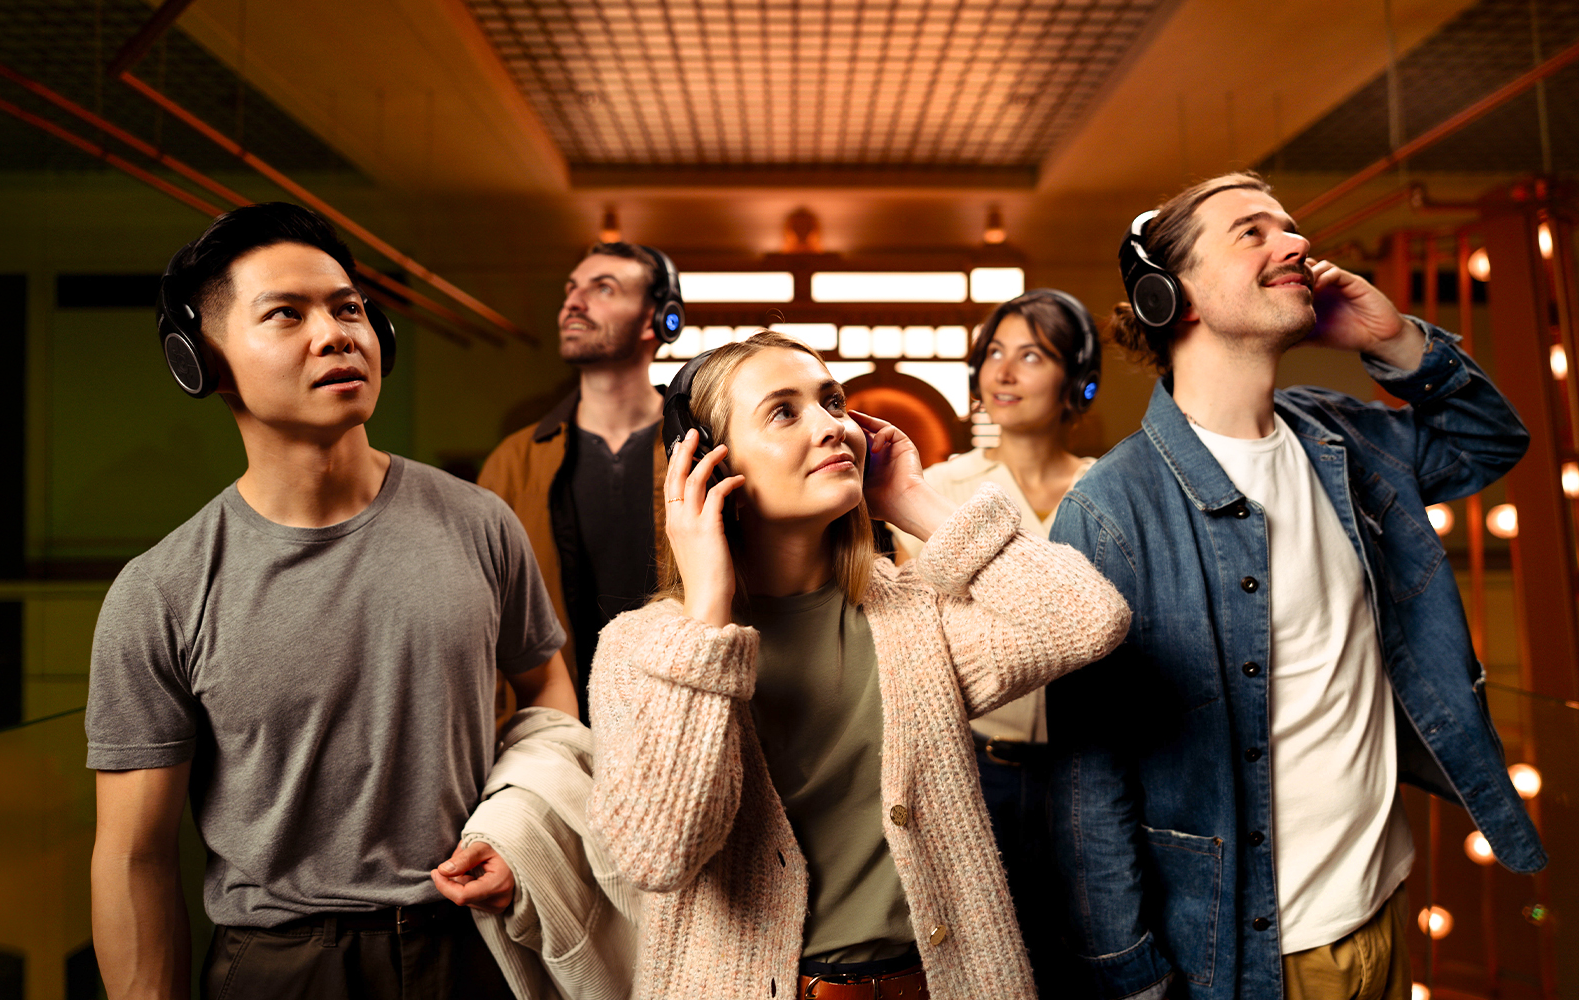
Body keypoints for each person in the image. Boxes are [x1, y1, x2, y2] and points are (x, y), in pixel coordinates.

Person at [1045, 172, 1547, 1000]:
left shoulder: (1340, 437)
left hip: (1384, 908)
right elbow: (1088, 784)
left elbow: (1491, 443)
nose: (1298, 245)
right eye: (1253, 232)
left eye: (1291, 227)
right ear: (1176, 297)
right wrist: (1131, 979)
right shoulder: (1111, 511)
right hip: (1251, 959)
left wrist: (1395, 341)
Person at [86, 202, 576, 1000]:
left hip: (475, 944)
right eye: (286, 314)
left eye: (348, 308)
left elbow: (546, 687)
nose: (336, 334)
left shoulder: (480, 522)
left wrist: (525, 828)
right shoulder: (161, 590)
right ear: (202, 360)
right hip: (281, 964)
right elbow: (133, 855)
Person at [586, 330, 1131, 999]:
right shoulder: (639, 649)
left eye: (833, 402)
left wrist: (913, 500)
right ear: (708, 465)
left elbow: (1088, 620)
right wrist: (707, 615)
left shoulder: (913, 615)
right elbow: (657, 855)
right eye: (784, 412)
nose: (832, 426)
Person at [891, 287, 1101, 988]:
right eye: (993, 355)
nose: (1003, 373)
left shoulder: (1110, 492)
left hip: (1094, 761)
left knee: (1088, 956)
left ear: (1077, 378)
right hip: (976, 764)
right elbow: (915, 636)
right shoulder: (935, 491)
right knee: (986, 966)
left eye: (1031, 355)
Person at [478, 241, 684, 725]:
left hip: (678, 724)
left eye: (603, 289)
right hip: (552, 736)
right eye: (572, 289)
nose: (573, 301)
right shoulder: (513, 463)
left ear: (660, 319)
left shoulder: (699, 451)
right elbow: (482, 623)